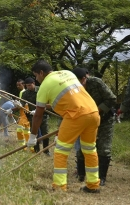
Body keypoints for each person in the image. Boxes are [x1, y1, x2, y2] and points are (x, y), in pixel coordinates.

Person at [27, 59, 100, 193]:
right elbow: (70, 97)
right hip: (93, 112)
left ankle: (59, 187)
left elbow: (38, 115)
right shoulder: (68, 73)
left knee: (61, 151)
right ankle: (93, 185)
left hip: (76, 116)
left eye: (36, 76)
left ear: (41, 73)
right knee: (90, 150)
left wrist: (33, 135)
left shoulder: (44, 86)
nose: (36, 80)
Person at [72, 68, 117, 186]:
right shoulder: (72, 89)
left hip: (104, 120)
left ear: (84, 79)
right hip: (86, 120)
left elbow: (112, 99)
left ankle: (101, 177)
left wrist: (96, 110)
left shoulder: (96, 83)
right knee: (82, 147)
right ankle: (81, 175)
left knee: (103, 148)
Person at [21, 77, 50, 155]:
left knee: (45, 134)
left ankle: (46, 150)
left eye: (30, 85)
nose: (28, 87)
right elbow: (22, 104)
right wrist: (17, 105)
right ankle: (36, 150)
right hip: (32, 117)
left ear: (34, 83)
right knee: (34, 133)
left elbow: (48, 102)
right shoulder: (25, 93)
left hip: (43, 115)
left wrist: (39, 109)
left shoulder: (41, 90)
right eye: (27, 86)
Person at [16, 79, 30, 145]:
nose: (18, 86)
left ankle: (23, 145)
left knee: (20, 130)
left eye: (19, 85)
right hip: (24, 114)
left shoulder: (23, 92)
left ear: (23, 84)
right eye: (17, 85)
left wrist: (14, 107)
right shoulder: (23, 92)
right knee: (26, 130)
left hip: (25, 113)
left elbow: (22, 104)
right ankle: (28, 145)